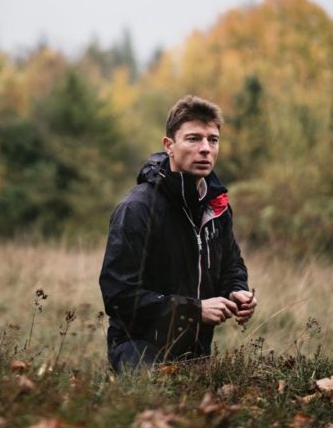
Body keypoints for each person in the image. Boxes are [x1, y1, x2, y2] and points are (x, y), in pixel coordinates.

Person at [99, 94, 257, 371]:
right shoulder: (137, 209)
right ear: (169, 146)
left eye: (213, 139)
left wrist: (237, 292)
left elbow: (231, 265)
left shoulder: (217, 207)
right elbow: (119, 296)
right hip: (137, 348)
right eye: (194, 139)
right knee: (158, 398)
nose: (205, 149)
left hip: (196, 353)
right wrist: (194, 311)